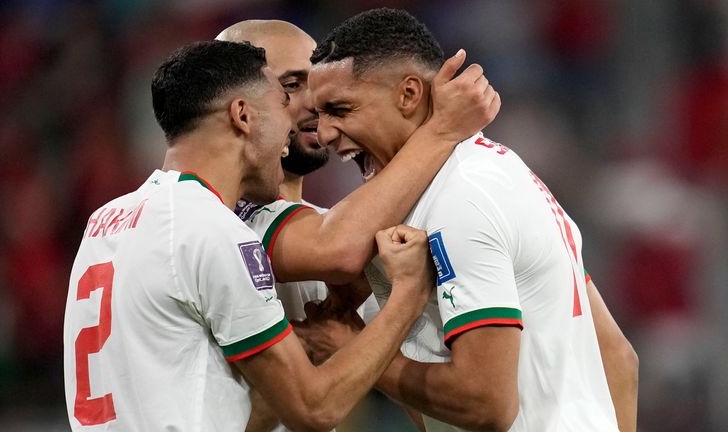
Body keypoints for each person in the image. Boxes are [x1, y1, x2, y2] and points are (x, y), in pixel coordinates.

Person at [62, 40, 438, 432]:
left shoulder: (105, 220)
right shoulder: (212, 229)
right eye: (282, 102)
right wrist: (409, 295)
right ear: (242, 115)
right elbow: (315, 409)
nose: (292, 128)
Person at [302, 8, 638, 432]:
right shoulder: (503, 173)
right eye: (319, 116)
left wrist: (354, 350)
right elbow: (620, 359)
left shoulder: (459, 199)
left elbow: (486, 403)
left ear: (408, 95)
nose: (326, 134)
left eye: (340, 109)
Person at [215, 20, 379, 325]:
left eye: (316, 84)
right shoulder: (219, 222)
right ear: (236, 106)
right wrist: (439, 133)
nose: (316, 103)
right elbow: (335, 249)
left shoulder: (326, 222)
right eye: (291, 86)